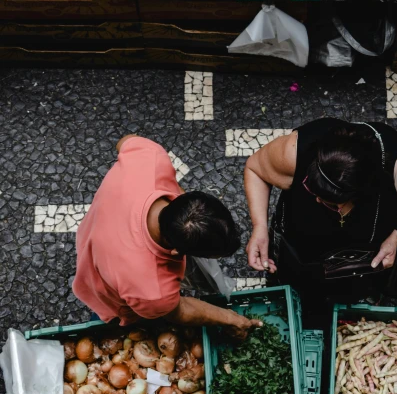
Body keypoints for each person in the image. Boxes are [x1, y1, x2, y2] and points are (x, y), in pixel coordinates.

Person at [244, 118, 397, 315]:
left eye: (330, 203)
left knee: (358, 287)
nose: (318, 202)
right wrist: (259, 226)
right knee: (294, 275)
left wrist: (396, 237)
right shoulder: (294, 151)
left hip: (363, 252)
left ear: (360, 196)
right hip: (297, 239)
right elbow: (255, 169)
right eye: (313, 192)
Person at [73, 134, 261, 339]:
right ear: (177, 252)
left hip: (96, 227)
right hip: (101, 275)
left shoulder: (150, 157)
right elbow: (177, 311)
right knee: (121, 313)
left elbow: (123, 141)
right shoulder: (151, 289)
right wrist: (231, 319)